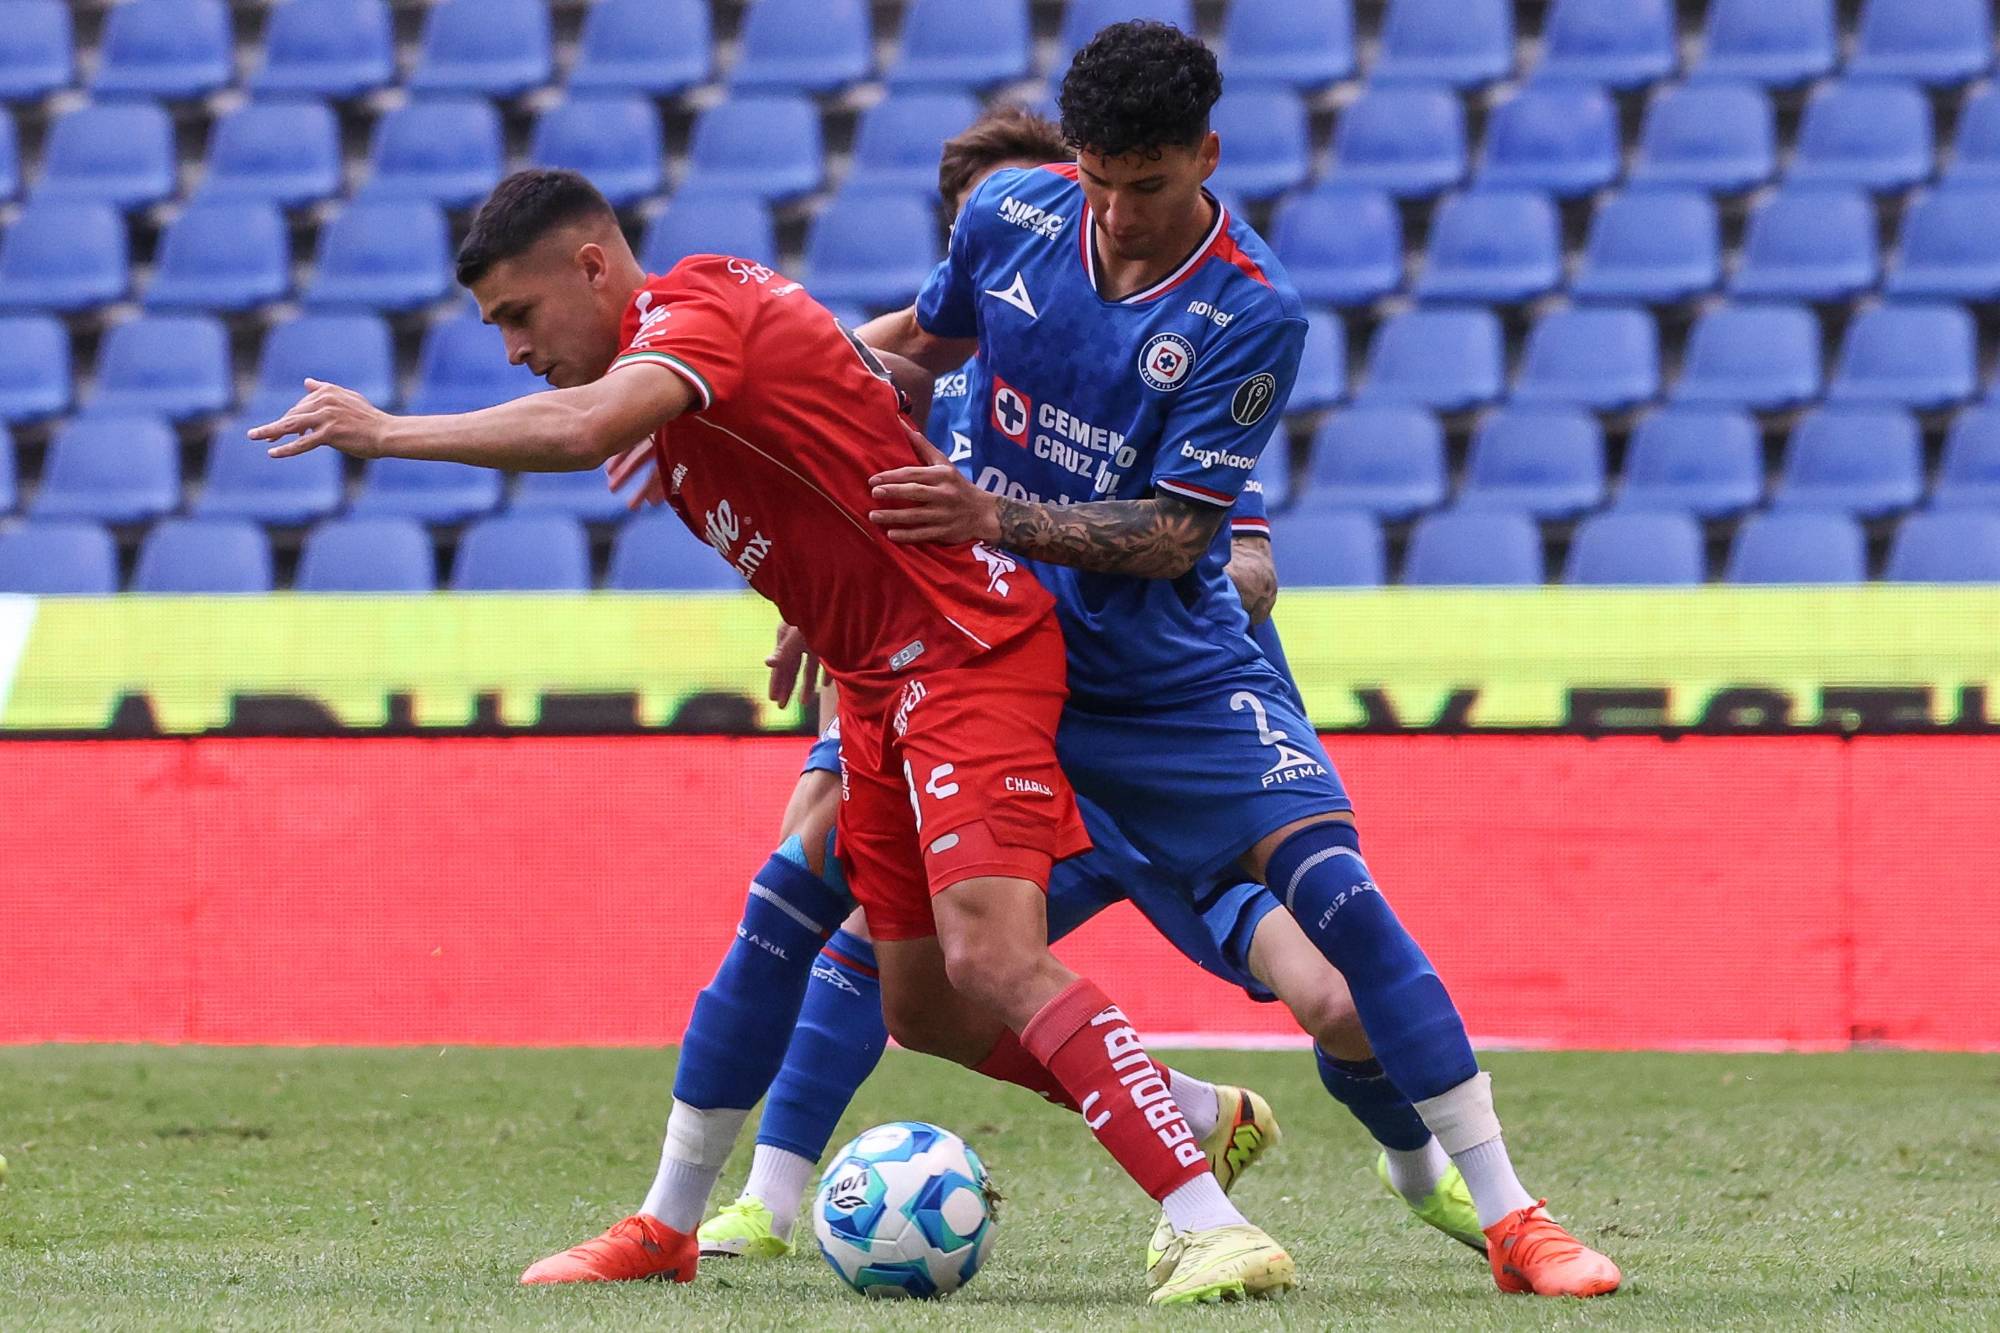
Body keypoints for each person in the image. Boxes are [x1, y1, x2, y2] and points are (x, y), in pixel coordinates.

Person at [251, 167, 1294, 1305]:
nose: (511, 347)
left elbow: (582, 426)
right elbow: (843, 420)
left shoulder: (689, 317)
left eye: (517, 314)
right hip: (873, 677)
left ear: (593, 266)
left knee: (982, 950)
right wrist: (814, 602)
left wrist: (387, 430)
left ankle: (1210, 1223)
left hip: (964, 654)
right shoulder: (675, 377)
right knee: (922, 1008)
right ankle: (1185, 1109)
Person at [859, 22, 1622, 1299]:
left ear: (1205, 155)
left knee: (1341, 937)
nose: (1116, 213)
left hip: (1169, 688)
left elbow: (1171, 538)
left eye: (1146, 184)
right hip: (996, 662)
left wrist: (990, 514)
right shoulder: (1007, 213)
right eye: (1097, 180)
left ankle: (1508, 1215)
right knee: (859, 911)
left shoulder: (1247, 308)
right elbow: (908, 352)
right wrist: (757, 397)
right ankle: (732, 1198)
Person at [688, 107, 1485, 1280]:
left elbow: (1233, 555)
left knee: (1335, 1000)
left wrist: (1169, 603)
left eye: (1095, 198)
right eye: (1026, 214)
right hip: (990, 725)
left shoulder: (1161, 390)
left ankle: (1420, 1168)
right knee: (856, 910)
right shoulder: (921, 411)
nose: (1083, 229)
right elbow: (837, 467)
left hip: (1142, 743)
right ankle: (765, 1195)